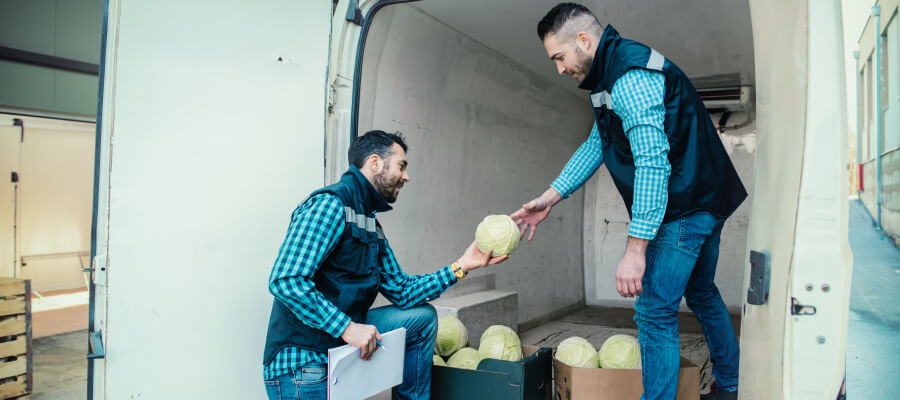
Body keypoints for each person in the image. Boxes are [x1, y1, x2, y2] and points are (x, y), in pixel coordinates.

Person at [510, 4, 746, 400]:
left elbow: (653, 165)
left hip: (687, 205)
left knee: (653, 311)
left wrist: (636, 247)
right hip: (708, 196)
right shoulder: (605, 77)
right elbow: (598, 143)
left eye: (559, 57)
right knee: (702, 292)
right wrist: (550, 197)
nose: (560, 69)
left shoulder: (630, 76)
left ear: (584, 40)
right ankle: (732, 385)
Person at [262, 130, 509, 400]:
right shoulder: (330, 205)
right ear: (375, 163)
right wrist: (347, 328)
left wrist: (462, 265)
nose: (406, 176)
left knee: (421, 318)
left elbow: (402, 290)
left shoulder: (369, 222)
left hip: (335, 347)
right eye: (401, 166)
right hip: (303, 360)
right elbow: (286, 280)